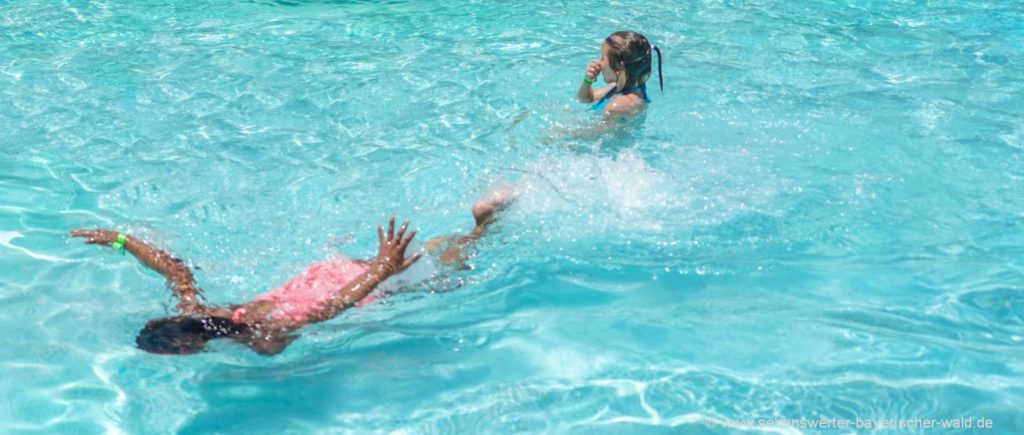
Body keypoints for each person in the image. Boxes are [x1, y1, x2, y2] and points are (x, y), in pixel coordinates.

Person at [69, 190, 513, 356]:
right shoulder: (201, 308)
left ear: (191, 347)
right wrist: (123, 241)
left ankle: (481, 225)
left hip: (360, 286)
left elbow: (330, 309)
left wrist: (380, 271)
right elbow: (174, 267)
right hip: (325, 272)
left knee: (444, 275)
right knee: (431, 257)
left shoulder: (263, 337)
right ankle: (472, 225)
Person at [577, 31, 663, 117]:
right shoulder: (618, 87)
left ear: (619, 67)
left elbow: (599, 130)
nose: (599, 63)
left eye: (603, 58)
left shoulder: (618, 106)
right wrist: (588, 80)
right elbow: (585, 99)